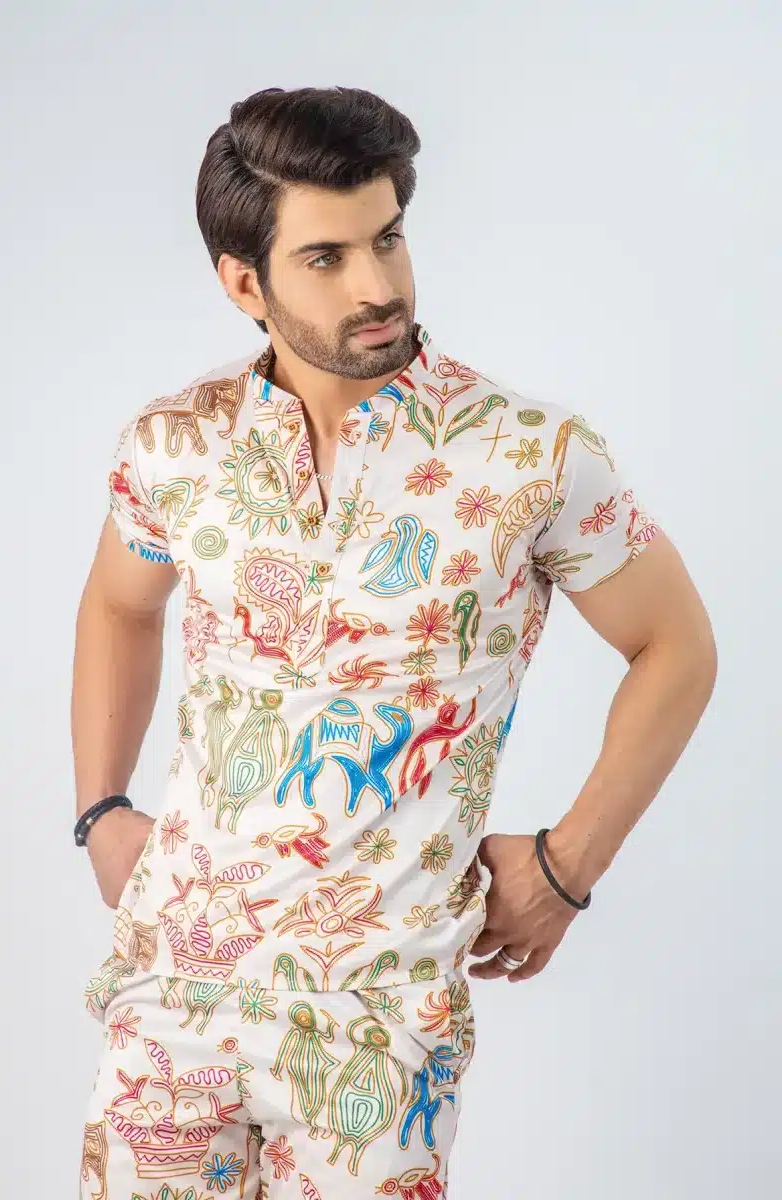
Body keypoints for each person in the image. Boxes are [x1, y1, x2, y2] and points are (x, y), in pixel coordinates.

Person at [73, 86, 716, 1200]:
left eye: (387, 238)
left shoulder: (530, 456)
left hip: (380, 1022)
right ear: (244, 283)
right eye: (325, 258)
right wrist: (100, 809)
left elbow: (676, 645)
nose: (376, 286)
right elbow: (119, 607)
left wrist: (568, 866)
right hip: (170, 994)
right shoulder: (176, 444)